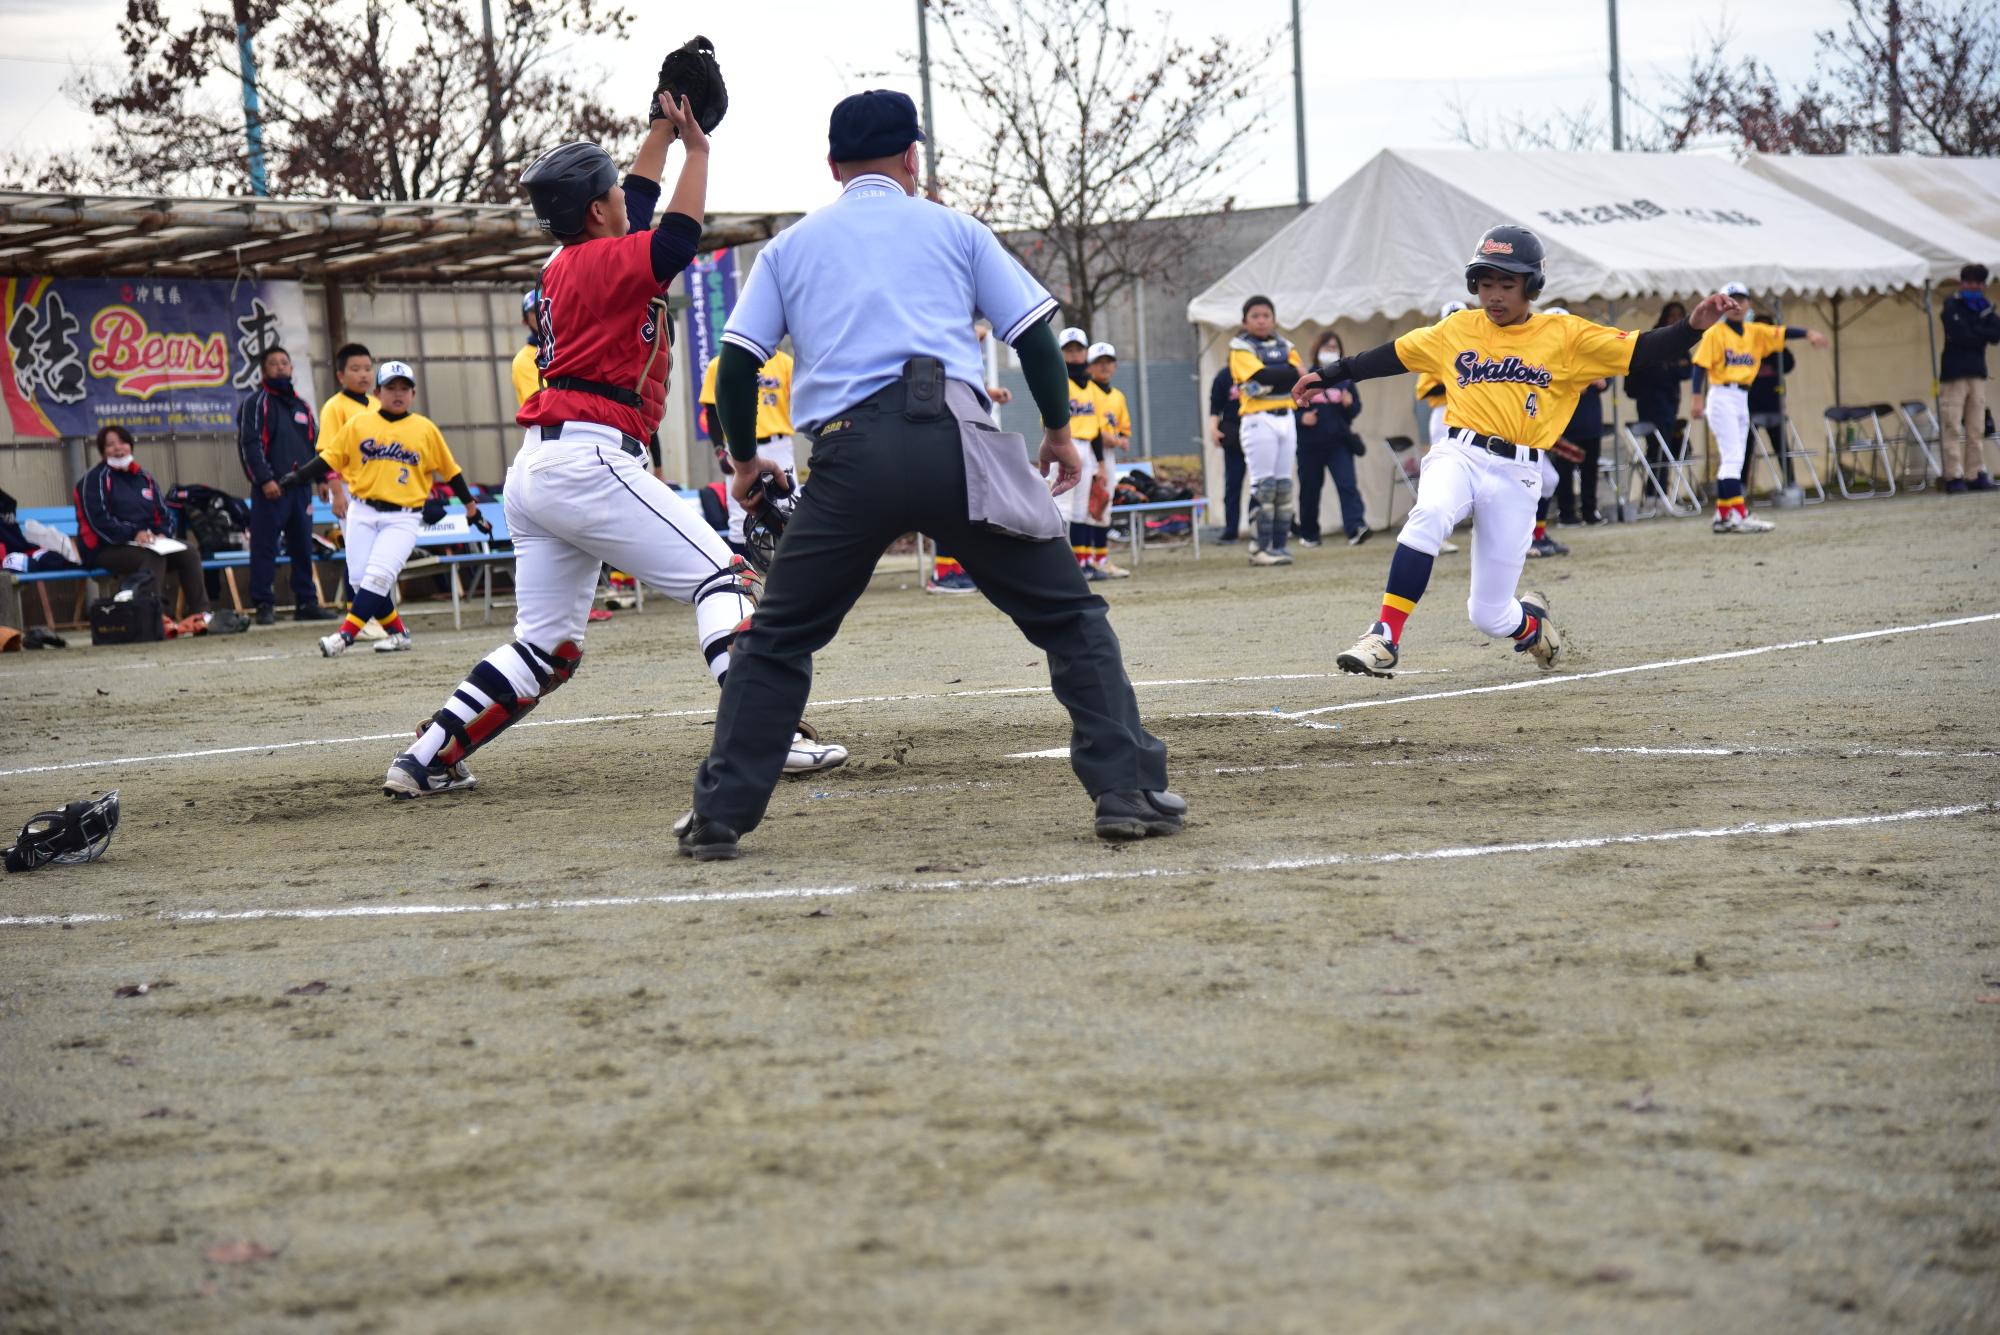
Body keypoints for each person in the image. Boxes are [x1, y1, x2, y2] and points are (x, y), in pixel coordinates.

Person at [681, 88, 1181, 858]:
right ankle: (1126, 789)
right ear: (913, 158)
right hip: (959, 442)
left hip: (848, 454)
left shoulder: (790, 246)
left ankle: (720, 815)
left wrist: (745, 458)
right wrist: (1056, 431)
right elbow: (1037, 340)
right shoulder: (956, 227)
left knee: (778, 637)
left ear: (832, 165)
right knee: (1069, 618)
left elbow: (738, 362)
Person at [380, 92, 845, 799]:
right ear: (595, 211)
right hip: (588, 457)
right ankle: (767, 737)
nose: (625, 199)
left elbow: (636, 198)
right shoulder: (594, 264)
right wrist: (701, 150)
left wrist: (661, 132)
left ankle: (426, 755)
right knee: (720, 578)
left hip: (544, 465)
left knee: (546, 646)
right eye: (611, 196)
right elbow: (675, 240)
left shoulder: (569, 261)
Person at [1293, 224, 1734, 678]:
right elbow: (1391, 356)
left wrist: (1690, 327)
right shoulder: (1457, 328)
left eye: (1508, 283)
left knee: (1488, 615)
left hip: (1518, 473)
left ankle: (1531, 625)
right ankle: (1384, 635)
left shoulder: (1564, 335)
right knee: (1429, 513)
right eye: (1486, 284)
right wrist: (1328, 375)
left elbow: (1642, 349)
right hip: (1459, 452)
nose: (1495, 295)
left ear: (1532, 285)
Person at [275, 360, 482, 656]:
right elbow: (330, 458)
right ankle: (398, 633)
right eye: (390, 388)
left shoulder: (425, 429)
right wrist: (298, 478)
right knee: (360, 580)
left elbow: (452, 472)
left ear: (412, 393)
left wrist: (471, 507)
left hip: (403, 516)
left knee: (379, 576)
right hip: (363, 510)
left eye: (404, 388)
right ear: (378, 392)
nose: (397, 394)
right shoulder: (360, 424)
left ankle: (344, 636)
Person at [1689, 282, 1829, 534]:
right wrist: (1696, 398)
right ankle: (1739, 514)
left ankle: (1723, 515)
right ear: (1721, 305)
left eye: (1742, 299)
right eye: (1731, 300)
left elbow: (1782, 332)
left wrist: (1808, 333)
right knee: (1732, 457)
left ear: (1749, 304)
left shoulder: (1755, 332)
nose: (1737, 305)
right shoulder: (1715, 333)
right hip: (1722, 394)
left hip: (1742, 396)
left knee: (1734, 456)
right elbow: (1700, 365)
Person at [73, 426, 218, 628]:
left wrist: (162, 533)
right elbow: (101, 523)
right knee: (152, 557)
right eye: (110, 445)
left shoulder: (144, 477)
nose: (118, 448)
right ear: (102, 451)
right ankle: (153, 616)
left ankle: (200, 615)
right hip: (105, 549)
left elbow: (164, 514)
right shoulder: (94, 479)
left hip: (148, 543)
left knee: (189, 552)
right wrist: (135, 533)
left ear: (130, 446)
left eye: (122, 442)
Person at [237, 345, 338, 624]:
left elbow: (317, 446)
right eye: (274, 364)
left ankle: (306, 602)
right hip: (271, 490)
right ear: (263, 371)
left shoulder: (302, 406)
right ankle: (263, 605)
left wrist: (321, 478)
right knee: (265, 547)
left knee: (302, 546)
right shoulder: (256, 403)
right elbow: (250, 445)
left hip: (301, 490)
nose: (281, 367)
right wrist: (265, 479)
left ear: (292, 368)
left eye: (285, 363)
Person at [699, 344, 797, 560]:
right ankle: (742, 580)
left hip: (778, 444)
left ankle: (792, 576)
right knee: (738, 518)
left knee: (789, 511)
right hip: (738, 448)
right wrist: (719, 451)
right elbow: (712, 411)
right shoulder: (720, 363)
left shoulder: (785, 363)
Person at [1229, 295, 1302, 566]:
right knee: (1264, 486)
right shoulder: (1240, 347)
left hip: (1286, 416)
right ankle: (1259, 547)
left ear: (1273, 318)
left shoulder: (1286, 345)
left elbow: (1297, 373)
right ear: (1244, 321)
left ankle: (1279, 545)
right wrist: (1281, 373)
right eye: (1255, 316)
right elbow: (1261, 377)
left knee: (1284, 486)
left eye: (1266, 315)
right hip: (1259, 418)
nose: (1261, 320)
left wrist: (1278, 374)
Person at [1293, 329, 1368, 548]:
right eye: (1327, 347)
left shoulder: (1345, 380)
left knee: (1347, 485)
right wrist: (1301, 418)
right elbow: (1289, 408)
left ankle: (1355, 528)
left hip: (1339, 443)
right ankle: (1309, 534)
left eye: (1335, 348)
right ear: (1317, 350)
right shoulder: (1305, 377)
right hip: (1310, 444)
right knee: (1310, 488)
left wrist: (1349, 404)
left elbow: (1355, 409)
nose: (1331, 351)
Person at [1624, 300, 1692, 506]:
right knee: (1656, 447)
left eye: (1679, 316)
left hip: (1670, 402)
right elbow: (1647, 373)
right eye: (1672, 315)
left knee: (1667, 446)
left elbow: (1688, 370)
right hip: (1650, 403)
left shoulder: (1680, 342)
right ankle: (1655, 493)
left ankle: (1660, 491)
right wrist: (1669, 368)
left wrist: (1668, 368)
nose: (1675, 320)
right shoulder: (1653, 339)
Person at [1939, 263, 2000, 492]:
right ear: (1962, 282)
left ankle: (1975, 473)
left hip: (1977, 373)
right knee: (1952, 425)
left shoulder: (1985, 307)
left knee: (1976, 427)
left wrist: (1976, 331)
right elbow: (1959, 334)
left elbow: (1995, 334)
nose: (1973, 286)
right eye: (1969, 281)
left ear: (1983, 285)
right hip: (1954, 374)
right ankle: (1953, 475)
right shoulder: (1952, 304)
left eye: (1977, 282)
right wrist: (1980, 331)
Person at [1086, 341, 1132, 578]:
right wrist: (1112, 438)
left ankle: (1101, 559)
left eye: (1108, 362)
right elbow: (1089, 426)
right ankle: (1086, 560)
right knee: (1085, 508)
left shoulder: (1118, 396)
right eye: (1098, 362)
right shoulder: (1086, 390)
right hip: (1088, 452)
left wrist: (1121, 439)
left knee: (1104, 506)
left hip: (1109, 456)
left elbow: (1123, 429)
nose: (1104, 367)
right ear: (1089, 366)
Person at [1745, 321, 1795, 487]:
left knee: (1781, 446)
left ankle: (1790, 481)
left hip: (1774, 403)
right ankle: (1742, 484)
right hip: (1751, 404)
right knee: (1746, 447)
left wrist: (1773, 365)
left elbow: (1789, 364)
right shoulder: (1747, 346)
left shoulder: (1777, 347)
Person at [1207, 365, 1245, 542]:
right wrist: (1214, 429)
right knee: (1233, 484)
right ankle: (1231, 529)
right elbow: (1215, 406)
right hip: (1234, 436)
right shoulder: (1224, 376)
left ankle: (1265, 527)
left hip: (1261, 432)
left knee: (1264, 484)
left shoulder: (1262, 371)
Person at [511, 291, 543, 411]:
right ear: (525, 321)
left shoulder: (567, 348)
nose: (542, 314)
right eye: (535, 311)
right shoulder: (524, 359)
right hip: (548, 429)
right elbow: (543, 405)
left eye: (545, 308)